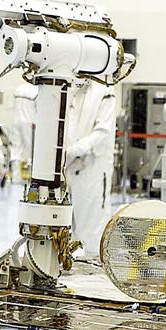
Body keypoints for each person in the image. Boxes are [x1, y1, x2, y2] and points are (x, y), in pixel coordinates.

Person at [63, 78, 117, 251]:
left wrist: (74, 151)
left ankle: (93, 273)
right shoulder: (67, 86)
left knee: (92, 230)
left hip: (91, 171)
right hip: (65, 170)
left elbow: (103, 133)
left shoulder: (104, 90)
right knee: (64, 229)